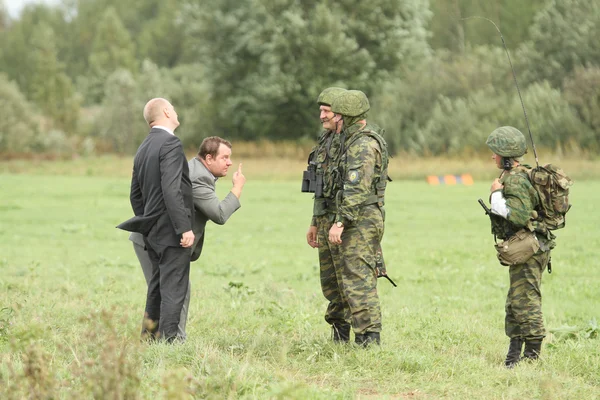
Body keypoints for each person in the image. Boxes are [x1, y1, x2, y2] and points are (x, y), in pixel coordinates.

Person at [117, 97, 194, 343]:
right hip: (171, 230)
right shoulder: (170, 143)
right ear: (165, 111)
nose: (176, 111)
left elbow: (135, 194)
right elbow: (172, 190)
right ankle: (170, 343)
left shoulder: (143, 147)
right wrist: (183, 228)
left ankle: (148, 340)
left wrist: (147, 222)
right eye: (174, 107)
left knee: (157, 287)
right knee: (174, 288)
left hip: (151, 230)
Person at [323, 89, 390, 346]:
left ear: (348, 117)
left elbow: (356, 189)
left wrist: (340, 222)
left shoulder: (363, 145)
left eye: (337, 115)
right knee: (350, 278)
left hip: (361, 218)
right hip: (357, 216)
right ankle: (362, 336)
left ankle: (369, 339)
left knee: (359, 279)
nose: (334, 120)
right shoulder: (351, 141)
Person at [484, 126, 553, 368]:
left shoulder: (515, 180)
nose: (492, 157)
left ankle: (532, 358)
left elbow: (517, 215)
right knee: (515, 302)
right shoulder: (519, 175)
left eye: (495, 152)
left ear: (505, 155)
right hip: (527, 246)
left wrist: (495, 195)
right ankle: (513, 358)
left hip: (529, 249)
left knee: (526, 301)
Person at [188, 136, 245, 262]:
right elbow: (220, 215)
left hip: (161, 243)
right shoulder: (199, 177)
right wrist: (237, 187)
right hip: (158, 245)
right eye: (224, 157)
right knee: (173, 282)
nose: (230, 163)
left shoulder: (196, 168)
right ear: (209, 158)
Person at [128, 232, 191, 339]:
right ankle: (173, 339)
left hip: (164, 243)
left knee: (175, 287)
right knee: (171, 289)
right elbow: (220, 216)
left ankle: (162, 337)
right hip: (152, 241)